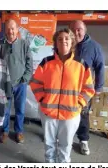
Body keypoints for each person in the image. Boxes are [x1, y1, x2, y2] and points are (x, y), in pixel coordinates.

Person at [29, 28, 95, 163]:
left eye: (67, 38)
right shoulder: (46, 62)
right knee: (49, 144)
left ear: (72, 42)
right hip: (48, 112)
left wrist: (80, 103)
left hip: (71, 114)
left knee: (66, 146)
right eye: (60, 39)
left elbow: (88, 88)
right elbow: (35, 83)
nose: (63, 41)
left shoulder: (81, 64)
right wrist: (42, 99)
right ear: (55, 43)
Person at [69, 20, 105, 155]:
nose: (76, 32)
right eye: (73, 29)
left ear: (85, 30)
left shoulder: (94, 47)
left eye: (79, 29)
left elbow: (100, 67)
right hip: (66, 89)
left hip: (83, 90)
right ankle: (65, 138)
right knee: (66, 115)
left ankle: (83, 140)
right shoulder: (66, 43)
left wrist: (99, 87)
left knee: (83, 115)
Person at [0, 19, 33, 144]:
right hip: (5, 84)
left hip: (20, 84)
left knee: (20, 110)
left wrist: (25, 79)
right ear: (5, 31)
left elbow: (30, 63)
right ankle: (5, 131)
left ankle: (19, 131)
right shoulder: (0, 45)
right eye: (8, 29)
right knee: (5, 110)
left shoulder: (24, 44)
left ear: (17, 29)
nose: (10, 31)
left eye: (13, 28)